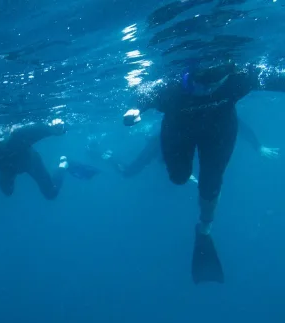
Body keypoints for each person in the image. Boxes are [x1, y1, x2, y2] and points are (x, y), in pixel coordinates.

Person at [122, 60, 285, 284]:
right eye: (200, 85)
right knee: (178, 178)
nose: (207, 91)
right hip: (178, 131)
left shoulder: (238, 78)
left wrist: (258, 145)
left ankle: (205, 227)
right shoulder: (171, 87)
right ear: (188, 76)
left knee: (211, 184)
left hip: (220, 131)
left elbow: (273, 77)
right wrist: (135, 109)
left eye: (214, 85)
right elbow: (145, 92)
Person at [113, 117, 279, 178]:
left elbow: (238, 125)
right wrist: (177, 166)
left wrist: (258, 147)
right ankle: (105, 156)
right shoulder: (185, 111)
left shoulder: (218, 110)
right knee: (129, 172)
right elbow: (168, 144)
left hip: (179, 143)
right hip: (164, 140)